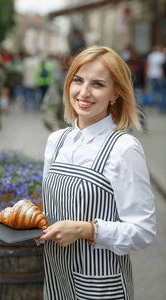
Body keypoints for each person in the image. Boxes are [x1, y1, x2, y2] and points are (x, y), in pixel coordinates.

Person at [36, 45, 156, 300]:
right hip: (56, 279)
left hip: (101, 286)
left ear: (115, 94)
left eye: (98, 84)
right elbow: (52, 211)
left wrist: (86, 230)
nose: (84, 92)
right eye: (78, 80)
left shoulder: (123, 148)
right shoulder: (56, 140)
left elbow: (143, 231)